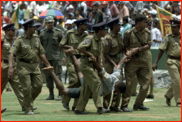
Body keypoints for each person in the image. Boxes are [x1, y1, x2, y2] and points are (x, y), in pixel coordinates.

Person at [42, 50, 128, 101]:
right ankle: (52, 72)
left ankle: (72, 54)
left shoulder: (116, 76)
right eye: (117, 90)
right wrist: (94, 61)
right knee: (63, 91)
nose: (116, 92)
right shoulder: (109, 80)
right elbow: (101, 70)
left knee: (80, 72)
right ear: (116, 85)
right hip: (87, 90)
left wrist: (126, 56)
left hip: (88, 82)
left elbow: (119, 65)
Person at [8, 19, 53, 115]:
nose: (35, 28)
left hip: (35, 65)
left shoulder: (36, 38)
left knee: (38, 86)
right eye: (34, 27)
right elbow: (11, 54)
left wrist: (48, 65)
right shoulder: (20, 40)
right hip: (23, 66)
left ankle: (26, 102)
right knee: (27, 88)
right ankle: (28, 108)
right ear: (28, 28)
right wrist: (10, 67)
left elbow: (41, 53)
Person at [74, 22, 108, 115]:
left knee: (86, 88)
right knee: (97, 82)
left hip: (92, 65)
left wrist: (100, 64)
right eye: (104, 30)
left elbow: (99, 54)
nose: (105, 32)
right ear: (100, 31)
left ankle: (79, 109)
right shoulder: (90, 38)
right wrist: (90, 54)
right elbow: (79, 48)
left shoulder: (100, 41)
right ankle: (99, 107)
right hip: (85, 65)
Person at [121, 14, 152, 112]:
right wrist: (126, 54)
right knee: (129, 84)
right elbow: (124, 46)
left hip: (143, 60)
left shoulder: (147, 32)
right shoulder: (128, 33)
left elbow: (149, 45)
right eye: (144, 22)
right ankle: (124, 105)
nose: (146, 24)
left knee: (146, 83)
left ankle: (139, 103)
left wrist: (137, 49)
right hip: (132, 61)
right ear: (138, 23)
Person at [59, 18, 89, 111]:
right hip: (70, 58)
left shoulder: (86, 35)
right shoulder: (69, 33)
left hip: (81, 59)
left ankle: (75, 105)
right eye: (84, 24)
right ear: (80, 25)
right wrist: (69, 46)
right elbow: (61, 45)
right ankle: (65, 98)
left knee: (80, 83)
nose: (86, 26)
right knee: (74, 79)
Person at [152, 20, 181, 107]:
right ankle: (179, 101)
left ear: (179, 27)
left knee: (179, 82)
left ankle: (168, 95)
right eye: (171, 27)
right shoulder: (168, 37)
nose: (172, 29)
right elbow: (161, 51)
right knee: (177, 80)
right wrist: (155, 62)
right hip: (171, 61)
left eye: (174, 27)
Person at [102, 17, 124, 112]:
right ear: (114, 26)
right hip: (108, 62)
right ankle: (105, 106)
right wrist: (114, 63)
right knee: (108, 83)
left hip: (117, 59)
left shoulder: (119, 35)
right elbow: (105, 54)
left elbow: (122, 47)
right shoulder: (107, 38)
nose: (120, 26)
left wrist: (124, 57)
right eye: (118, 25)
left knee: (119, 83)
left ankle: (115, 105)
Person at [1, 23, 24, 112]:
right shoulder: (2, 41)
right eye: (13, 30)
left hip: (13, 66)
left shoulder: (14, 41)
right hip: (3, 66)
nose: (15, 31)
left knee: (18, 86)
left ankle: (26, 105)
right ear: (7, 31)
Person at [39, 16, 63, 101]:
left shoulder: (58, 33)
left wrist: (63, 57)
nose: (50, 24)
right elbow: (39, 47)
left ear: (54, 23)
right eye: (48, 22)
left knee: (58, 76)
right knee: (48, 77)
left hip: (56, 58)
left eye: (51, 22)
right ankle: (51, 94)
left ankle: (60, 94)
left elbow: (62, 45)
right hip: (46, 59)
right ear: (46, 23)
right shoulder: (42, 33)